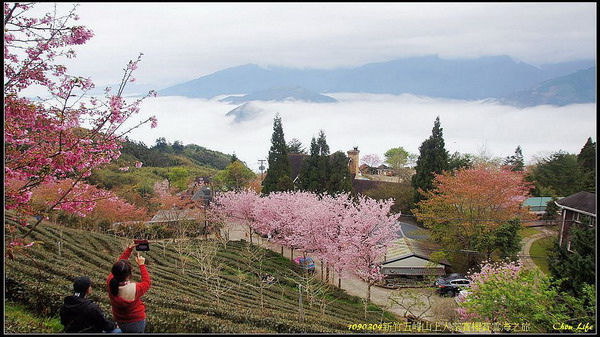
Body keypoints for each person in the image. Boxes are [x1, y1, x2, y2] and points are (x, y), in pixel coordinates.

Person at [106, 241, 151, 333]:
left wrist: (129, 249)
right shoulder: (134, 289)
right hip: (136, 321)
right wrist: (141, 265)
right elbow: (147, 282)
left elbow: (119, 264)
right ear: (129, 275)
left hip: (120, 319)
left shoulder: (110, 282)